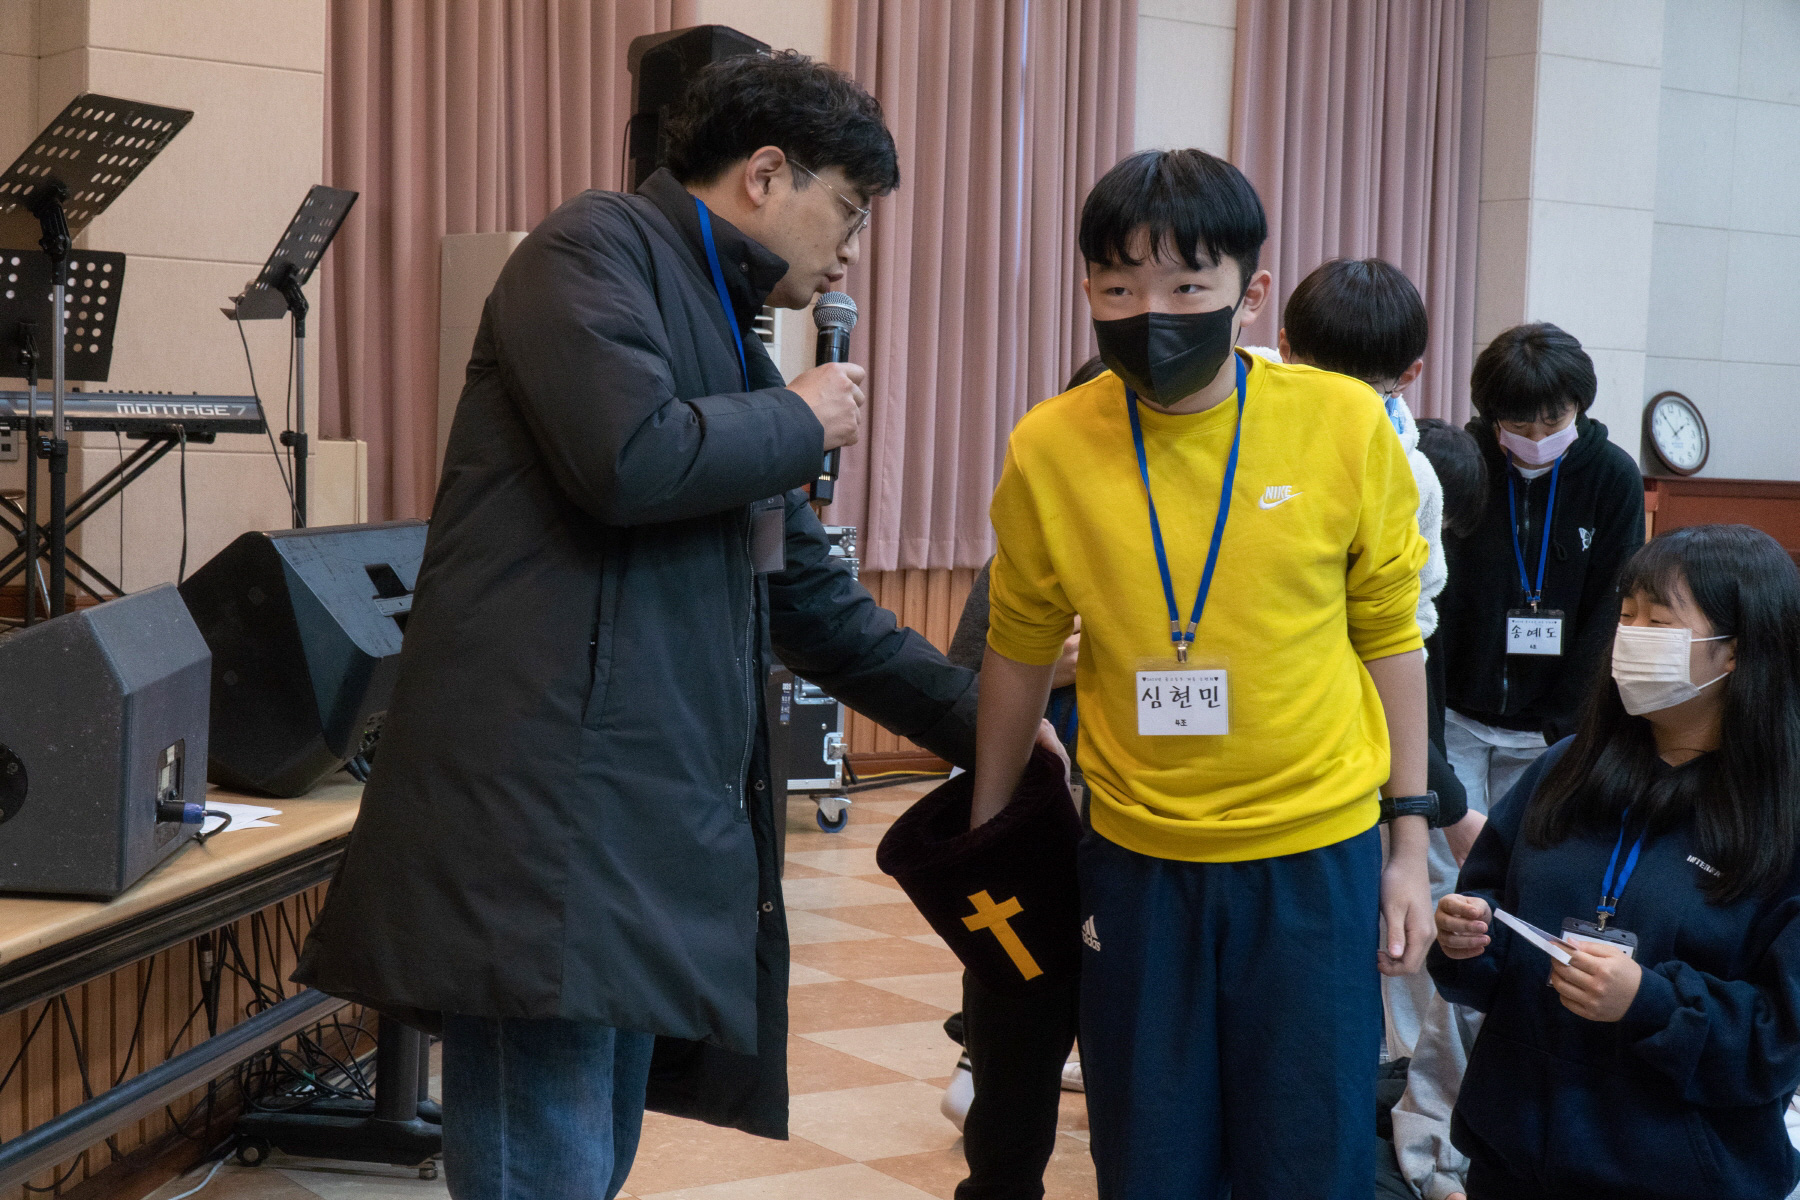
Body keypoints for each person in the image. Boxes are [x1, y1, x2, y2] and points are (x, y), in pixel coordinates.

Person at [294, 53, 1023, 1200]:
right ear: (766, 174)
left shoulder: (730, 334)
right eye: (849, 209)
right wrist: (798, 419)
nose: (853, 249)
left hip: (631, 819)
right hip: (540, 817)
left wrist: (999, 728)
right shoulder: (590, 249)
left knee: (591, 1156)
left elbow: (810, 601)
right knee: (545, 1163)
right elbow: (628, 458)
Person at [968, 147, 1435, 1198]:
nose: (1151, 313)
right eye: (1117, 288)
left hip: (1313, 854)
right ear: (1087, 290)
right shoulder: (1050, 445)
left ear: (1250, 293)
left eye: (1187, 287)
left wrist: (1408, 844)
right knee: (1149, 1159)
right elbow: (1018, 645)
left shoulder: (1342, 424)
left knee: (1307, 1160)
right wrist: (989, 834)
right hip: (1138, 861)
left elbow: (1390, 636)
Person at [1431, 524, 1800, 1199]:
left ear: (1736, 651)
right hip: (1515, 1159)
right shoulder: (1564, 769)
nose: (1630, 637)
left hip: (1677, 1176)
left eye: (1659, 621)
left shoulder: (1782, 816)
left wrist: (1651, 1003)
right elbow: (1490, 920)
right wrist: (1466, 940)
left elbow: (1780, 1040)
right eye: (1626, 615)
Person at [1276, 257, 1477, 1064]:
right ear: (1283, 348)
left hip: (1353, 733)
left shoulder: (1413, 475)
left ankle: (1381, 1072)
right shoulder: (1246, 438)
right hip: (1260, 722)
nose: (1340, 401)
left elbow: (1407, 634)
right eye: (1320, 375)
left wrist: (1423, 812)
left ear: (1410, 376)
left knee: (1353, 932)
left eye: (1365, 385)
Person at [936, 355, 1103, 1200]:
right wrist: (1050, 672)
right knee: (1013, 1056)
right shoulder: (1028, 541)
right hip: (1031, 838)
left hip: (1140, 840)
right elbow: (962, 678)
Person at [1435, 322, 1644, 826]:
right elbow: (1431, 592)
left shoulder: (1613, 477)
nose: (1538, 439)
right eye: (1520, 425)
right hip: (1456, 715)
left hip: (1549, 729)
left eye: (1554, 423)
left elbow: (1612, 607)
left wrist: (1566, 722)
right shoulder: (1462, 466)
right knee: (1446, 857)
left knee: (1524, 851)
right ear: (1491, 414)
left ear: (1579, 406)